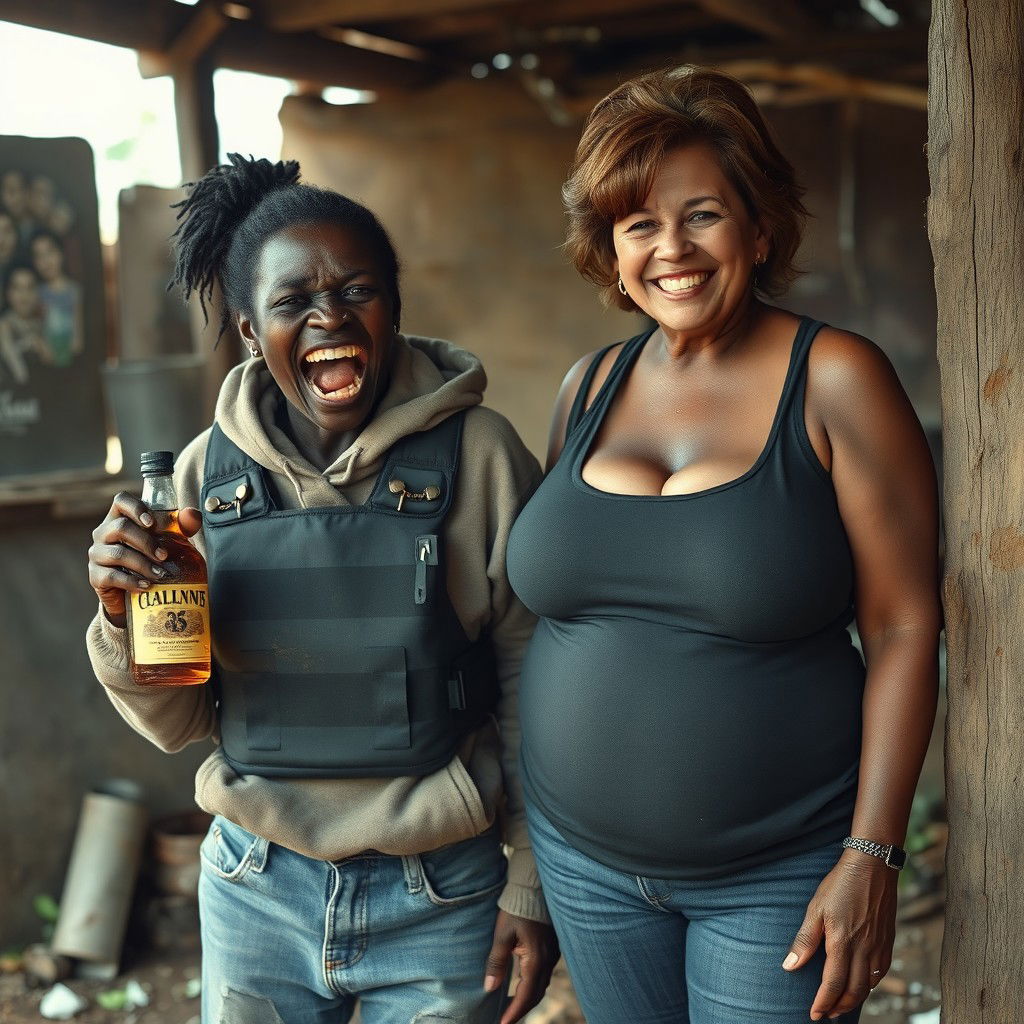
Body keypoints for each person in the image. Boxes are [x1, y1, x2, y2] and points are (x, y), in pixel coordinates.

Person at [506, 66, 941, 1024]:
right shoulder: (586, 388)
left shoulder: (834, 378)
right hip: (584, 867)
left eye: (701, 214)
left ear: (758, 223)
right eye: (639, 225)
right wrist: (532, 878)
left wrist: (872, 855)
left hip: (776, 876)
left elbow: (906, 625)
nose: (672, 250)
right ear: (608, 246)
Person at [86, 155, 557, 1024]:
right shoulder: (200, 479)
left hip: (443, 890)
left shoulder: (481, 456)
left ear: (395, 305)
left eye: (356, 291)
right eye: (292, 301)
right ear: (246, 327)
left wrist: (527, 883)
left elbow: (536, 680)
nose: (329, 317)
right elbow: (178, 724)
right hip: (254, 887)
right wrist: (121, 622)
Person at [29, 228, 82, 367]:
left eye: (49, 252)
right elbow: (34, 329)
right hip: (45, 364)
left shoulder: (74, 290)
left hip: (72, 362)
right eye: (39, 256)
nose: (46, 261)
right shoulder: (36, 293)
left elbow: (78, 337)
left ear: (61, 253)